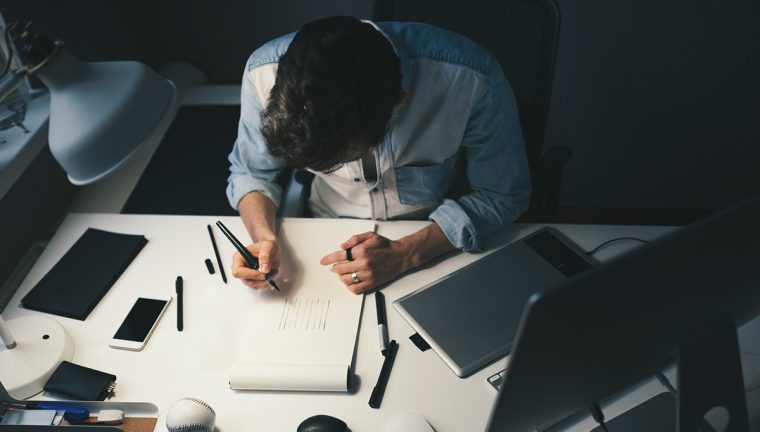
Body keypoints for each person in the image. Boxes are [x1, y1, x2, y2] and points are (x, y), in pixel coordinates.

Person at [227, 16, 530, 294]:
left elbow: (502, 194)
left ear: (397, 103)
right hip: (324, 226)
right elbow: (250, 173)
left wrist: (406, 254)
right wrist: (264, 237)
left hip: (433, 232)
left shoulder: (471, 77)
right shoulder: (262, 73)